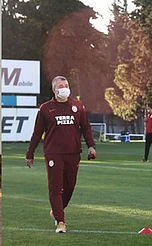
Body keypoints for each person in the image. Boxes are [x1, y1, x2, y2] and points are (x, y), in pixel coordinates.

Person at [26, 76, 97, 233]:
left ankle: (56, 210)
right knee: (55, 188)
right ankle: (60, 221)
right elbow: (37, 133)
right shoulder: (45, 109)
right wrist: (30, 153)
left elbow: (86, 128)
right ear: (54, 89)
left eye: (66, 85)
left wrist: (91, 146)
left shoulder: (78, 106)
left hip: (73, 153)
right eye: (60, 85)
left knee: (70, 186)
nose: (64, 87)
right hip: (53, 153)